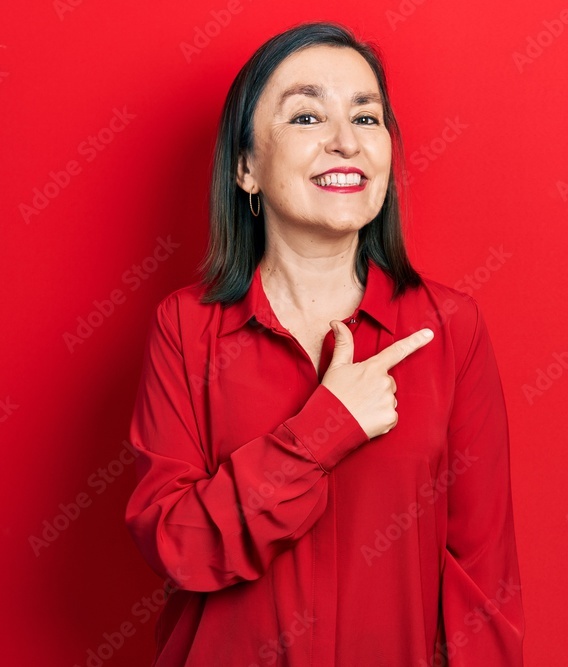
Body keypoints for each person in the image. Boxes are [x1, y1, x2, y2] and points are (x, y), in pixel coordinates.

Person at [124, 20, 524, 666]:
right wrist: (325, 428)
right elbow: (180, 545)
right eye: (308, 118)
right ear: (246, 167)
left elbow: (485, 581)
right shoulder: (185, 329)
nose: (346, 142)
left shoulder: (450, 329)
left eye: (367, 120)